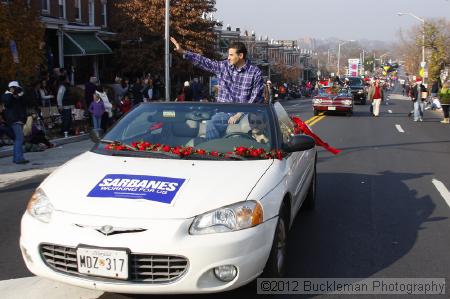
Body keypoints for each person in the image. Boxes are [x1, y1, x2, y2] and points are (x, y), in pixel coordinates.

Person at [171, 37, 264, 139]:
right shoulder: (224, 67)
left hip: (245, 114)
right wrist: (183, 52)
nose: (228, 57)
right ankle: (213, 152)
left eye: (231, 55)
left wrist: (240, 114)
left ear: (241, 55)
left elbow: (256, 98)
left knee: (246, 129)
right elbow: (205, 62)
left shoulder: (255, 73)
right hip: (224, 112)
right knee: (211, 124)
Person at [1, 81, 29, 164]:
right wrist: (12, 93)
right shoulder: (6, 95)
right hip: (14, 120)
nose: (17, 90)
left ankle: (17, 158)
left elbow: (24, 103)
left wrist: (20, 94)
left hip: (18, 119)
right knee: (19, 139)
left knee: (18, 139)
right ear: (11, 88)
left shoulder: (15, 96)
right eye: (15, 88)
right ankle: (18, 158)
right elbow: (8, 102)